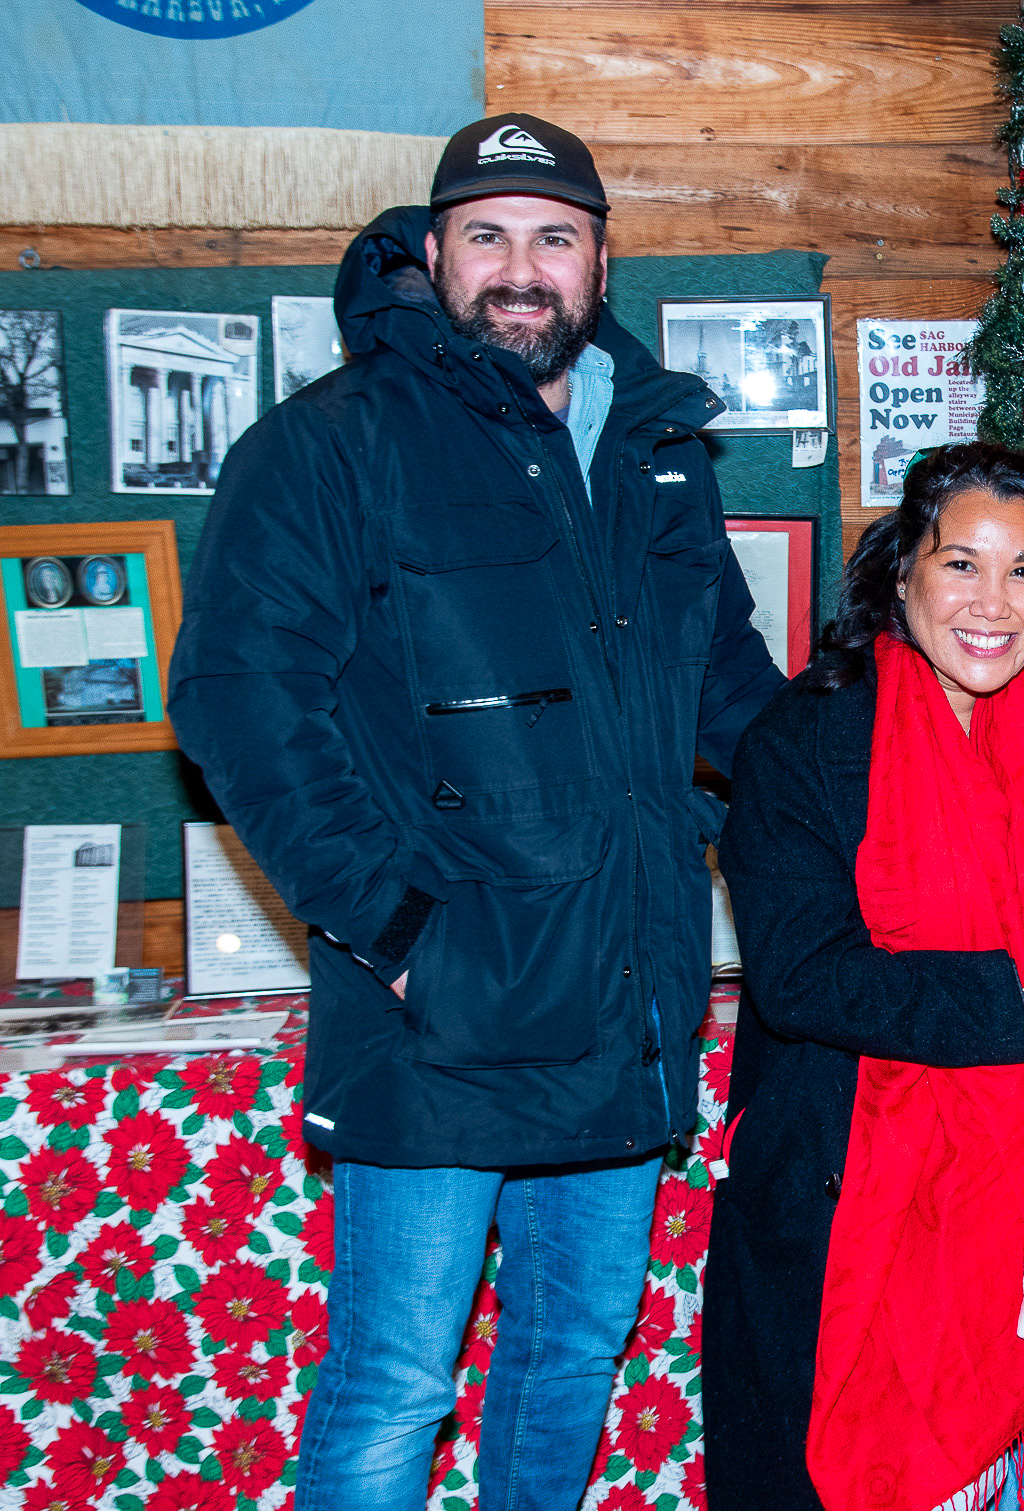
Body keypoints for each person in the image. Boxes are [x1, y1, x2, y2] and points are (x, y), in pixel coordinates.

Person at [168, 112, 782, 1510]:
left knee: (570, 1350)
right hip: (442, 1011)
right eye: (489, 235)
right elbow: (239, 700)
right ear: (433, 250)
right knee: (396, 1382)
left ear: (601, 264)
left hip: (623, 993)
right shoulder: (329, 445)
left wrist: (896, 766)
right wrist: (391, 923)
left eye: (554, 237)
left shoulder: (654, 449)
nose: (522, 267)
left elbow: (733, 694)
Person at [702, 444, 1024, 1511]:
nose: (990, 604)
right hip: (846, 1181)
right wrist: (1013, 1014)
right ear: (900, 569)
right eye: (960, 563)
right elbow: (803, 977)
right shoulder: (803, 740)